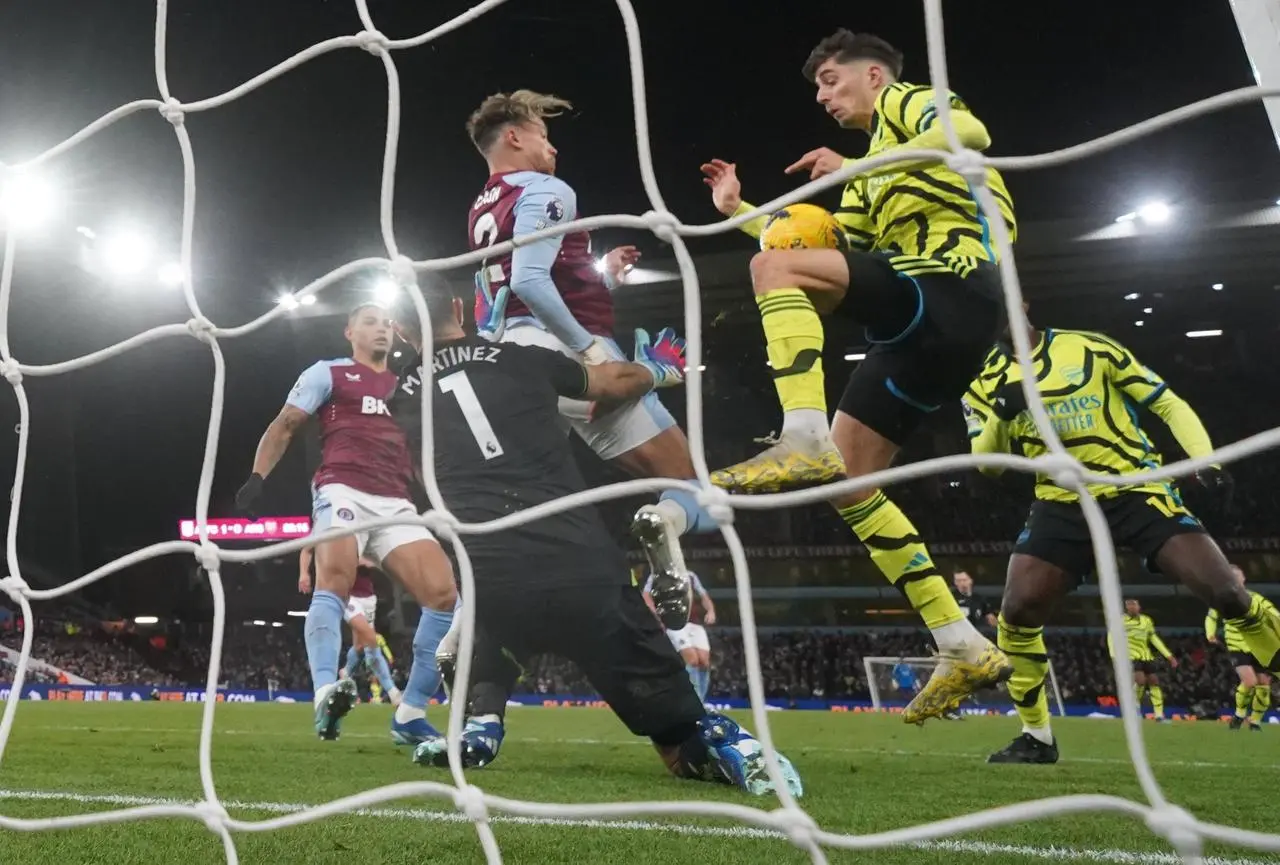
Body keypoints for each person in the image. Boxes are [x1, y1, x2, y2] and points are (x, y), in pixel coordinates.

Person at [700, 29, 1016, 724]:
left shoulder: (906, 101)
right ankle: (960, 641)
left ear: (872, 75)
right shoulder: (875, 169)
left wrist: (853, 166)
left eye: (830, 82)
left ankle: (800, 434)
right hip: (926, 328)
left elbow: (972, 130)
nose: (821, 96)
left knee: (772, 273)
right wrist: (737, 213)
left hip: (954, 285)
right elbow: (816, 249)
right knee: (851, 480)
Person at [388, 289, 802, 797]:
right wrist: (659, 370)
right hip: (580, 566)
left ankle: (481, 723)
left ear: (403, 331)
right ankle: (712, 743)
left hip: (489, 577)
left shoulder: (396, 399)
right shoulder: (524, 358)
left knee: (485, 632)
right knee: (677, 742)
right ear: (456, 307)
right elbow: (612, 385)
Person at [965, 321, 1280, 763]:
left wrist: (1202, 458)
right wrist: (1002, 412)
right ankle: (1036, 737)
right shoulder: (982, 379)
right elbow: (987, 465)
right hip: (1062, 502)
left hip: (1134, 488)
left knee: (1227, 592)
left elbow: (1166, 403)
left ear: (1023, 302)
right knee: (1016, 611)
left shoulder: (1090, 348)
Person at [463, 88, 719, 631]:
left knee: (518, 516)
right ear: (514, 136)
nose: (551, 149)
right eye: (544, 135)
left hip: (508, 365)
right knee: (691, 483)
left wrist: (600, 273)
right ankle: (661, 530)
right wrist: (590, 347)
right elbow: (532, 282)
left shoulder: (482, 207)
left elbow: (517, 282)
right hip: (563, 359)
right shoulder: (547, 189)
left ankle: (466, 625)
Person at [234, 303, 456, 743]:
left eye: (385, 324)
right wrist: (257, 477)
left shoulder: (407, 384)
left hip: (396, 502)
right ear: (349, 330)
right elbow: (286, 424)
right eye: (369, 321)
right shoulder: (328, 373)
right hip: (342, 489)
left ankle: (409, 714)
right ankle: (323, 695)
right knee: (333, 583)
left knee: (445, 596)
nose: (380, 329)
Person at [299, 549, 401, 704]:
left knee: (360, 645)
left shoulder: (367, 536)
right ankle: (394, 693)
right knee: (370, 638)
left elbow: (383, 563)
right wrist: (304, 573)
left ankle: (346, 672)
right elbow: (307, 549)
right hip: (347, 595)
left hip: (368, 597)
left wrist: (374, 563)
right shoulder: (337, 531)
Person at [1206, 566, 1275, 731]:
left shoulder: (1255, 598)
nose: (1235, 580)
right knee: (1250, 682)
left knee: (1264, 686)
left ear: (1243, 579)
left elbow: (1273, 614)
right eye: (1232, 578)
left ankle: (1255, 722)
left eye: (1238, 576)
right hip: (1237, 646)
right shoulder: (1221, 601)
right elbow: (1211, 617)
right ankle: (1239, 714)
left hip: (1259, 647)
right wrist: (1210, 633)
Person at [644, 570, 716, 703]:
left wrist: (711, 610)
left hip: (694, 622)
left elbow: (703, 594)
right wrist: (655, 615)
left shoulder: (691, 575)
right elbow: (646, 595)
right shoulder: (657, 575)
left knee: (704, 662)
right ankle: (695, 702)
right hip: (674, 622)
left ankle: (701, 701)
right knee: (692, 660)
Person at [1108, 599, 1177, 722]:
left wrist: (1168, 655)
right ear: (1126, 608)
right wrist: (1113, 655)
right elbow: (1111, 636)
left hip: (1146, 656)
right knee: (1140, 680)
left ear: (1139, 607)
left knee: (1154, 682)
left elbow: (1153, 638)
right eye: (1129, 606)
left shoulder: (1146, 620)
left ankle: (1159, 715)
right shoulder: (1120, 621)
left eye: (1134, 605)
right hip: (1129, 656)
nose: (1132, 608)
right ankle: (1135, 709)